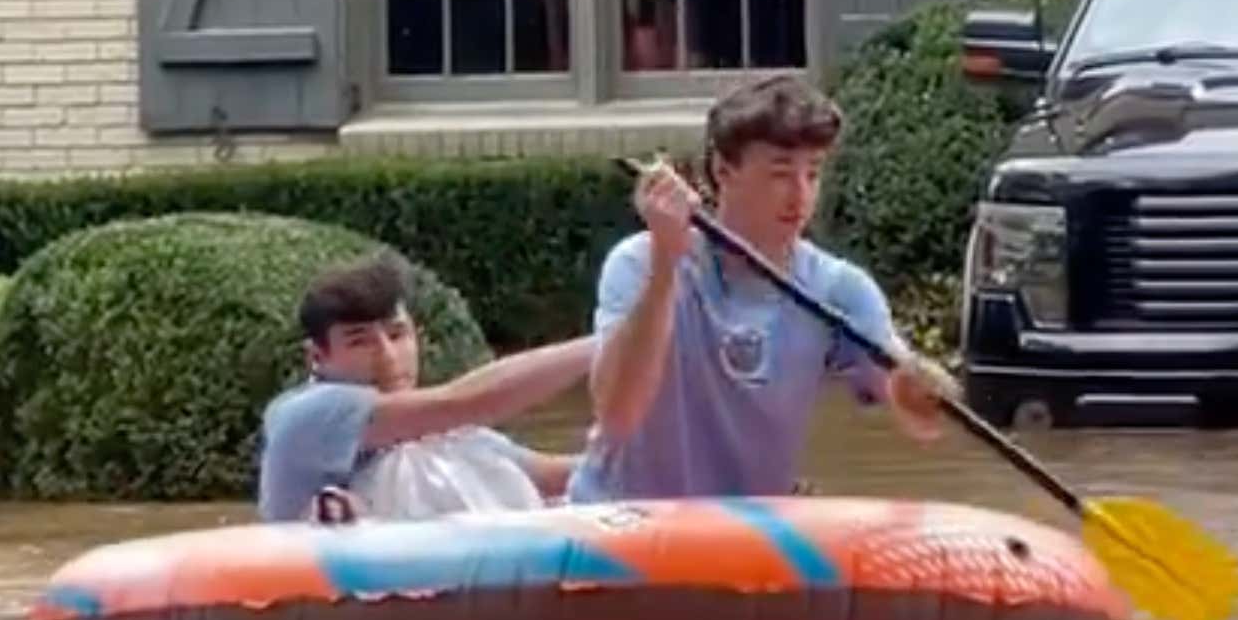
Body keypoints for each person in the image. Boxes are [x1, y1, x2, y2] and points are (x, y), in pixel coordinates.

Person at [566, 74, 955, 504]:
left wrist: (923, 388)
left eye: (813, 174)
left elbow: (919, 420)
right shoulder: (639, 262)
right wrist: (665, 266)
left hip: (747, 537)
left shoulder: (839, 288)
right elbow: (617, 415)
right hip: (626, 527)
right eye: (780, 173)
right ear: (722, 170)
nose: (800, 196)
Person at [257, 251, 592, 524]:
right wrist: (607, 344)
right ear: (318, 356)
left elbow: (554, 475)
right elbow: (466, 402)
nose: (388, 357)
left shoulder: (447, 438)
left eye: (397, 334)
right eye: (361, 342)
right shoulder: (305, 415)